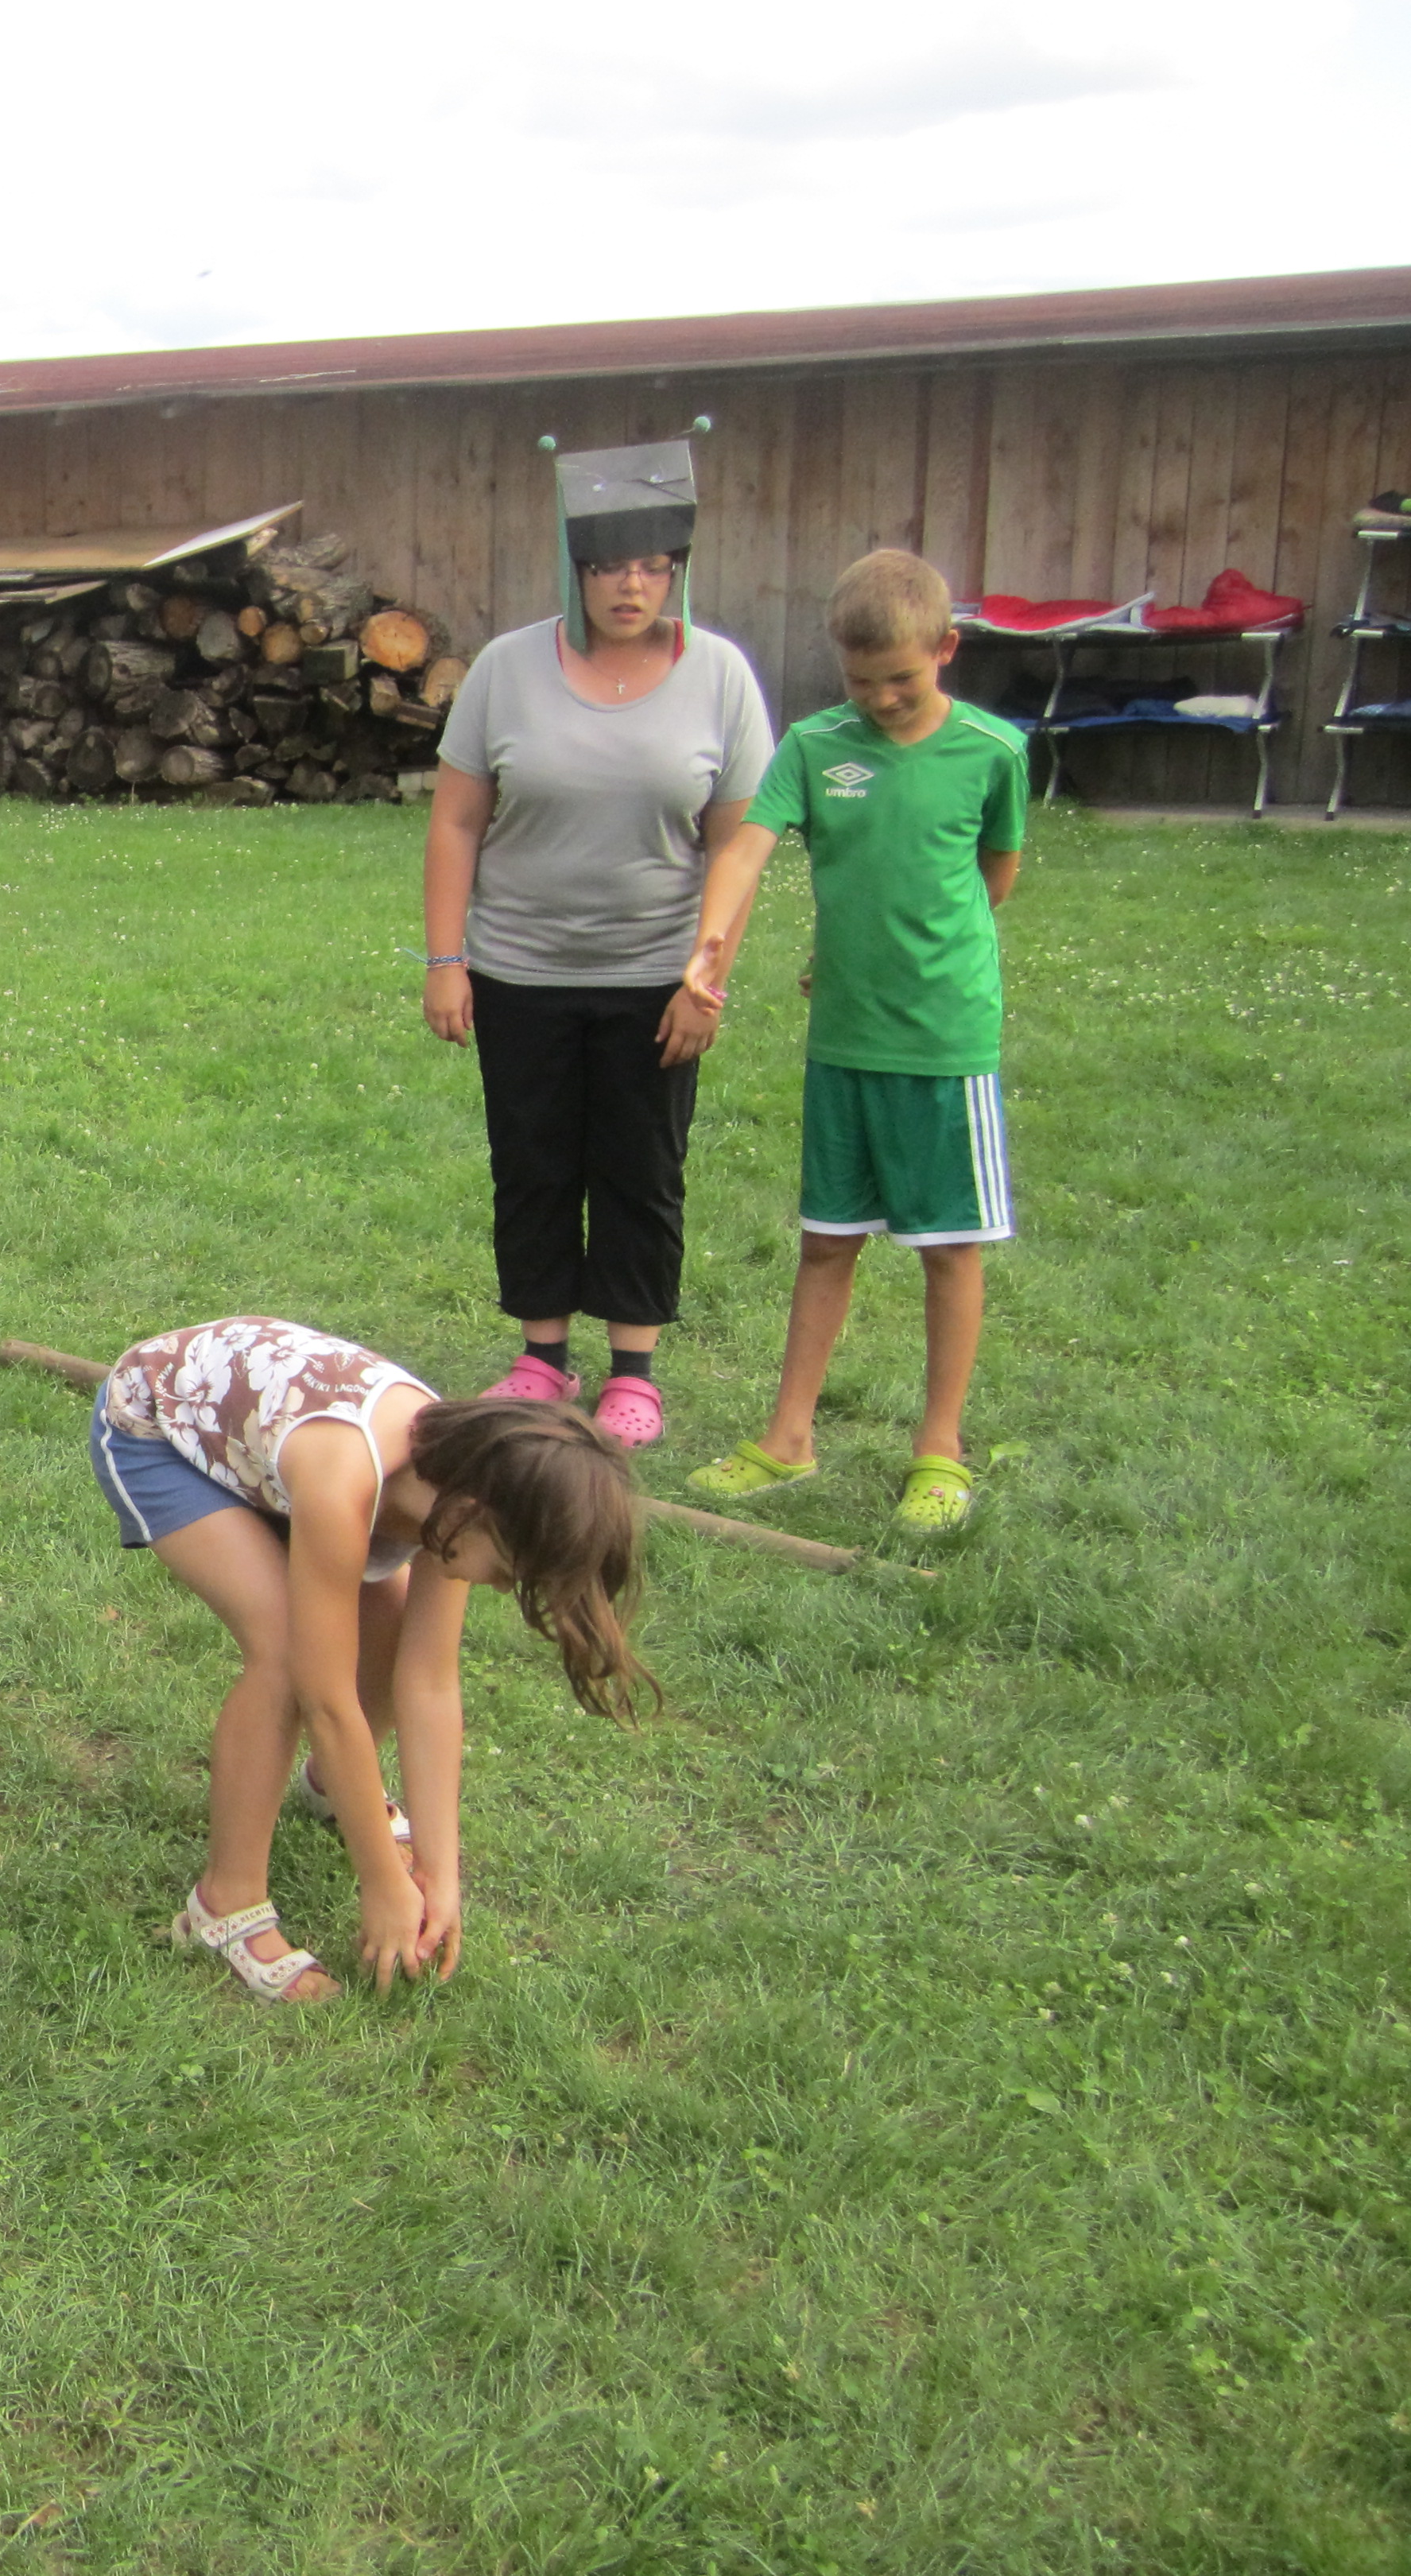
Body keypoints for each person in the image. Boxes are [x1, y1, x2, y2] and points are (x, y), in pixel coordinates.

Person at [93, 1317, 648, 2004]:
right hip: (162, 1426)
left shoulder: (464, 1487)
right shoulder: (347, 1480)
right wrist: (382, 1880)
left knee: (389, 1629)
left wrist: (441, 1874)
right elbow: (326, 1700)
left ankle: (334, 1784)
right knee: (286, 1655)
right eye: (509, 1571)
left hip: (273, 1447)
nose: (505, 1589)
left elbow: (429, 1684)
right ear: (471, 1512)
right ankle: (223, 1905)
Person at [424, 438, 776, 1449]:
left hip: (655, 977)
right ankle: (542, 1357)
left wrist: (704, 982)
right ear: (574, 570)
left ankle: (633, 1372)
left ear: (678, 572)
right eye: (611, 566)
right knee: (532, 1163)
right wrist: (446, 961)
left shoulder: (719, 676)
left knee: (641, 1169)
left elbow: (738, 846)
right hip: (519, 969)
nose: (632, 587)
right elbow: (456, 821)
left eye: (654, 567)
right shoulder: (506, 670)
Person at [680, 549, 1026, 1534]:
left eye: (901, 679)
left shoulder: (994, 751)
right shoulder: (813, 747)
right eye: (860, 680)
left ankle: (940, 1451)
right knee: (827, 1240)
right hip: (842, 1040)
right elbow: (746, 851)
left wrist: (916, 956)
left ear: (946, 649)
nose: (879, 699)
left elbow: (994, 876)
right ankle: (788, 1439)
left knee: (948, 1249)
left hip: (945, 1044)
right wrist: (709, 948)